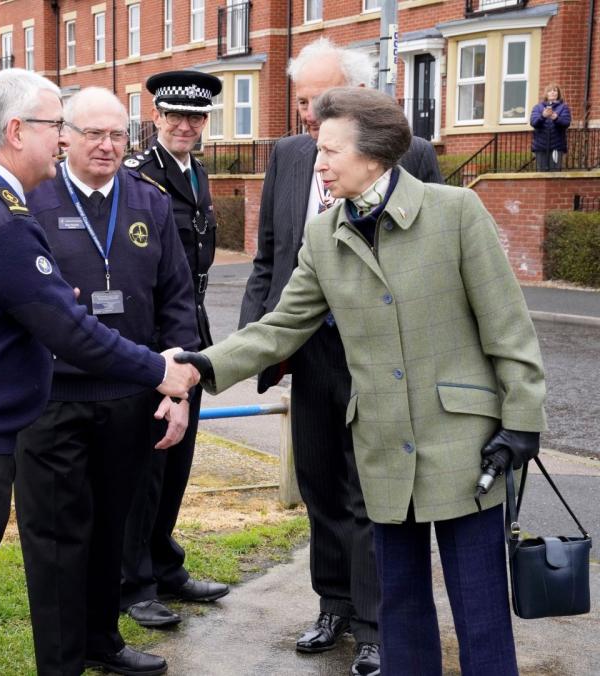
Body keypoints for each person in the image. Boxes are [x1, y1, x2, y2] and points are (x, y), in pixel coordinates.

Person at [179, 86, 546, 676]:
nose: (317, 162)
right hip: (379, 442)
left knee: (479, 605)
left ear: (373, 155)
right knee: (398, 605)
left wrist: (523, 422)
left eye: (329, 150)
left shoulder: (455, 214)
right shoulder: (324, 236)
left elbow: (509, 330)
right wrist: (203, 365)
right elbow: (280, 327)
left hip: (467, 445)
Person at [0, 69, 198, 676]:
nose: (62, 139)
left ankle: (96, 640)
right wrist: (160, 371)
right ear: (15, 130)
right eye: (57, 125)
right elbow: (67, 329)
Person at [237, 37, 441, 675]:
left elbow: (433, 258)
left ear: (356, 96)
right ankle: (333, 603)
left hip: (379, 351)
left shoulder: (415, 156)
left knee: (370, 491)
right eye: (302, 101)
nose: (307, 113)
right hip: (309, 349)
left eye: (321, 101)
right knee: (320, 481)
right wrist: (255, 346)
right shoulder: (289, 155)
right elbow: (268, 256)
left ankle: (376, 624)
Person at [14, 86, 199, 676]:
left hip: (129, 398)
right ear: (63, 135)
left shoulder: (151, 202)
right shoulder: (32, 200)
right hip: (52, 401)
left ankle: (102, 640)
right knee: (56, 539)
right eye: (94, 133)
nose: (107, 145)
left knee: (111, 528)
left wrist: (177, 390)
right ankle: (61, 661)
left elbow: (176, 300)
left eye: (117, 134)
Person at [119, 70, 230, 630]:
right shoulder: (139, 177)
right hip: (152, 339)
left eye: (196, 118)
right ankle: (133, 582)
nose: (185, 126)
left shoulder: (198, 174)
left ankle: (164, 564)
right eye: (175, 116)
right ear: (156, 118)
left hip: (191, 333)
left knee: (178, 459)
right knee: (147, 465)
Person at [530, 83, 572, 171]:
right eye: (550, 91)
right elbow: (534, 122)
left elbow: (566, 123)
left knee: (555, 173)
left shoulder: (563, 107)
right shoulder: (537, 108)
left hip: (557, 146)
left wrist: (556, 118)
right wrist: (543, 116)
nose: (552, 92)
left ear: (558, 94)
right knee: (541, 174)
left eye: (555, 90)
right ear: (546, 94)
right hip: (540, 147)